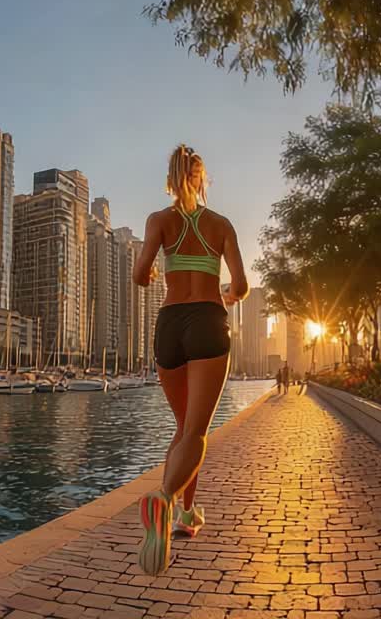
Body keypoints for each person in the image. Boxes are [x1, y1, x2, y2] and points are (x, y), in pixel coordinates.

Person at [131, 144, 249, 576]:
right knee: (197, 433)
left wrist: (155, 272)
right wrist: (228, 296)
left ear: (169, 176)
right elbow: (241, 284)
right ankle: (163, 500)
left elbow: (140, 274)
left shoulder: (158, 221)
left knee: (183, 430)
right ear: (202, 178)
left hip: (168, 325)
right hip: (206, 320)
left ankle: (186, 514)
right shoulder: (220, 225)